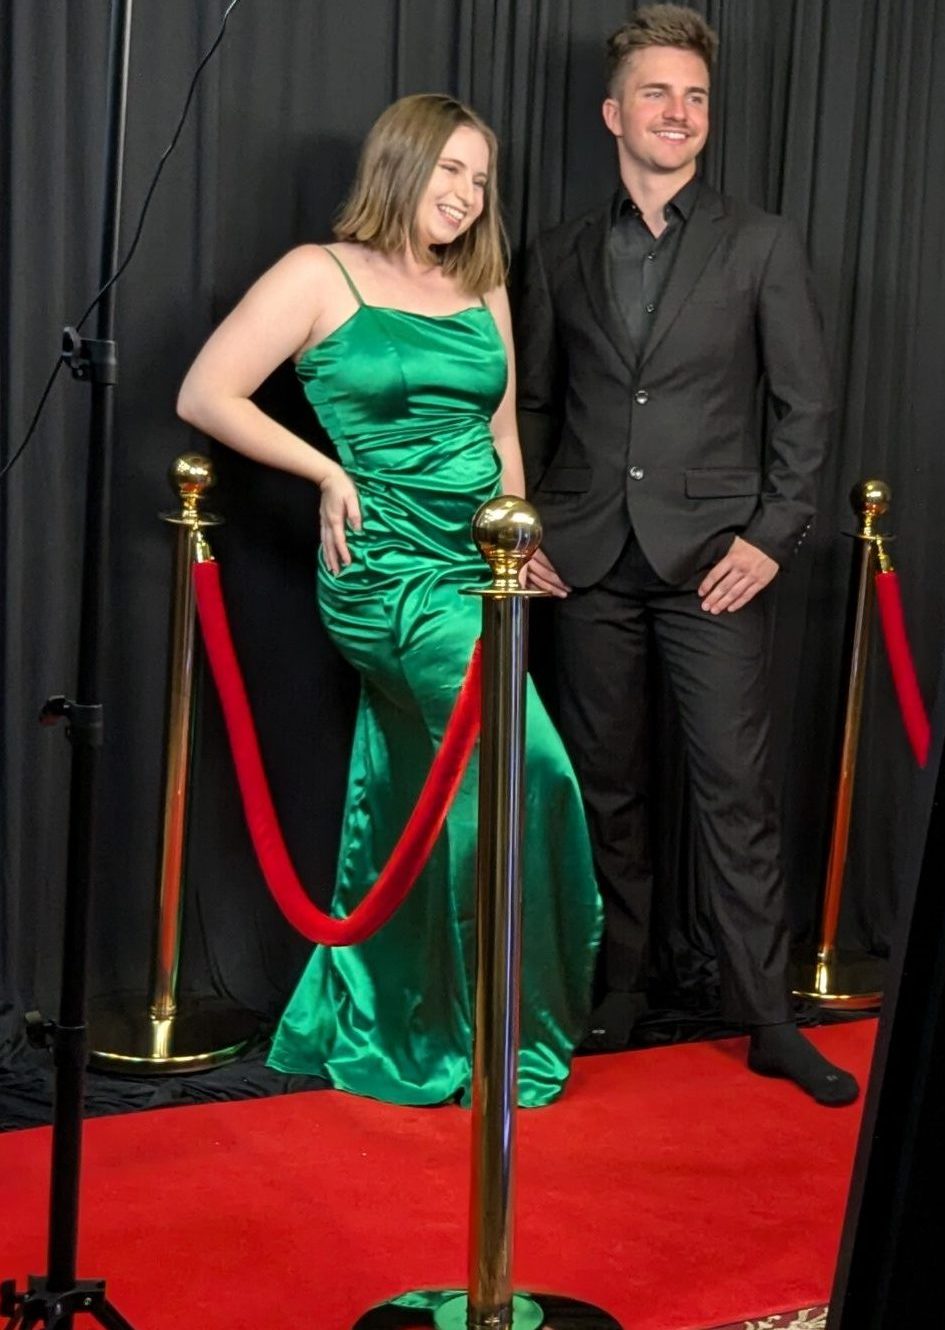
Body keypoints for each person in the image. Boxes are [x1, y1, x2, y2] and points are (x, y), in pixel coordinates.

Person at [177, 93, 602, 1108]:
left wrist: (518, 529)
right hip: (384, 572)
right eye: (449, 170)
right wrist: (325, 471)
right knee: (522, 764)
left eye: (479, 180)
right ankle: (504, 1033)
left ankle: (416, 1022)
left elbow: (500, 433)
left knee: (437, 794)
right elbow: (206, 392)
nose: (464, 195)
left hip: (475, 568)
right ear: (400, 165)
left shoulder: (481, 280)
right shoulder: (317, 275)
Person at [517, 6, 858, 1106]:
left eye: (697, 96)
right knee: (606, 790)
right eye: (658, 94)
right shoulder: (557, 248)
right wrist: (523, 531)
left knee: (735, 792)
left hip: (715, 559)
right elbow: (529, 405)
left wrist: (771, 536)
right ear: (615, 112)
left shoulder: (760, 241)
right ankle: (618, 988)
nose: (680, 113)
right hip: (584, 561)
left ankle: (765, 1016)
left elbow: (803, 407)